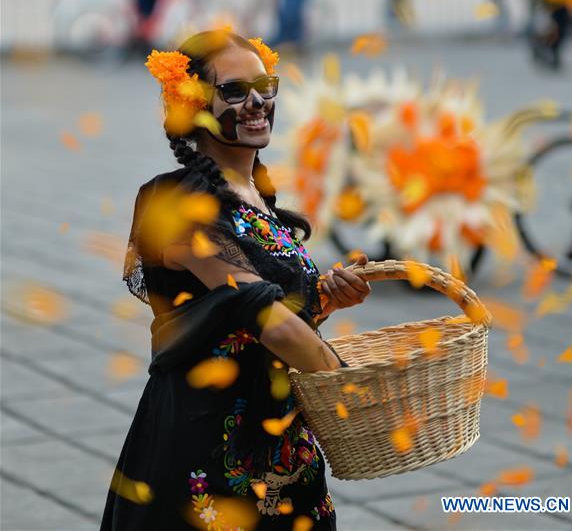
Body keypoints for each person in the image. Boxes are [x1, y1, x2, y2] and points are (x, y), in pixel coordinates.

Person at [101, 30, 371, 530]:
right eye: (233, 90)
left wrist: (323, 299)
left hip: (284, 446)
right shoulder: (177, 204)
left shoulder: (256, 193)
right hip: (207, 451)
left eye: (266, 85)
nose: (257, 102)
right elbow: (262, 316)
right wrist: (357, 391)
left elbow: (269, 312)